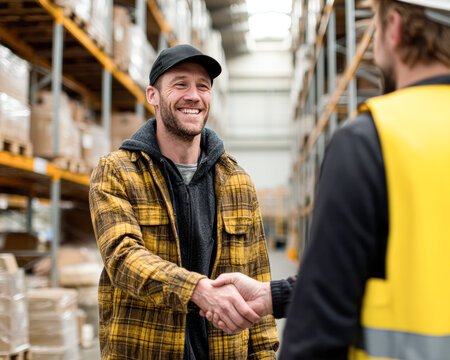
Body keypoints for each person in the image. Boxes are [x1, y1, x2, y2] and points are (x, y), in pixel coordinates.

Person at [203, 1, 450, 358]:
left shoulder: (374, 139)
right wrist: (272, 295)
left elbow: (322, 317)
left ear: (394, 27)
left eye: (375, 29)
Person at [89, 44, 279, 359]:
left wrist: (265, 354)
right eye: (180, 84)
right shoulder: (117, 171)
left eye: (202, 86)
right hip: (146, 349)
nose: (194, 95)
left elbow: (258, 277)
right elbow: (122, 258)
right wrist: (197, 290)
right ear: (153, 95)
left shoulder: (237, 181)